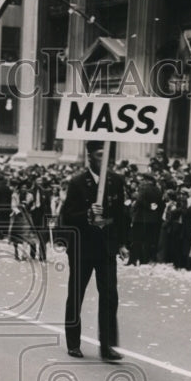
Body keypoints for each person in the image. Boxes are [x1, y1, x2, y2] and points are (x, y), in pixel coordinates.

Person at [59, 140, 129, 361]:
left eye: (106, 155)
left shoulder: (116, 181)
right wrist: (88, 212)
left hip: (106, 246)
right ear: (90, 157)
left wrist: (123, 243)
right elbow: (67, 216)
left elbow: (121, 216)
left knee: (109, 295)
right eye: (99, 155)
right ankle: (73, 342)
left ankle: (107, 345)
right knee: (76, 294)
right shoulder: (78, 182)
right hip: (83, 247)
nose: (103, 159)